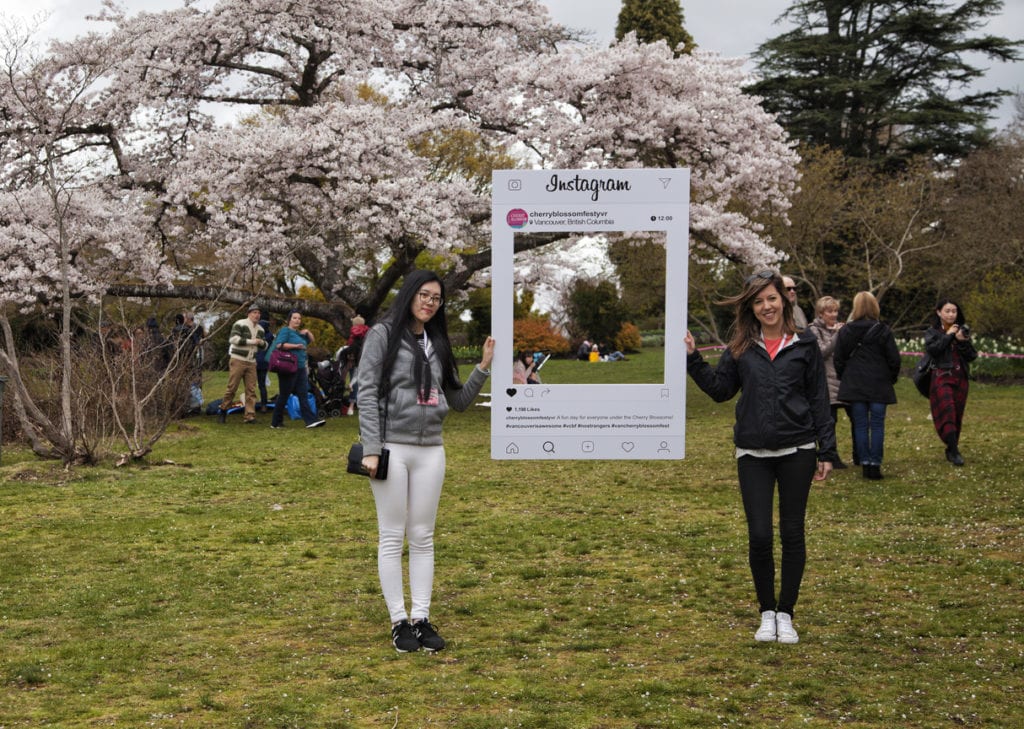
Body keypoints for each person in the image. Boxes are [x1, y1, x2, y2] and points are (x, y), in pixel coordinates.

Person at [685, 270, 835, 645]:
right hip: (752, 452)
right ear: (750, 308)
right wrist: (692, 360)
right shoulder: (740, 347)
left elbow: (819, 399)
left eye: (771, 298)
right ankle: (766, 612)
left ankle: (787, 613)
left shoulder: (804, 344)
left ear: (784, 300)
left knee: (792, 533)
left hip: (797, 450)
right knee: (759, 535)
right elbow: (721, 391)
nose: (766, 306)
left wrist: (827, 449)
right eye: (757, 301)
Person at [356, 270, 495, 653]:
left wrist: (483, 367)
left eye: (436, 298)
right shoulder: (382, 335)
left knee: (422, 536)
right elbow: (365, 390)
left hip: (431, 448)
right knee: (391, 535)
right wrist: (371, 446)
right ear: (409, 295)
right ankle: (398, 622)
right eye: (424, 295)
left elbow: (459, 401)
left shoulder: (438, 341)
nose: (430, 303)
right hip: (390, 448)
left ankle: (421, 617)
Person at [833, 292, 902, 480]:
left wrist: (845, 376)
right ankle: (875, 463)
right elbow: (894, 359)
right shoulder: (883, 330)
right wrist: (891, 377)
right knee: (877, 424)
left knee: (861, 425)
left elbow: (838, 358)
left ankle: (865, 463)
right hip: (879, 382)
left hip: (856, 383)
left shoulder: (846, 331)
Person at [924, 298, 978, 466]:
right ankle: (954, 451)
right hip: (941, 376)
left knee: (957, 414)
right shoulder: (932, 332)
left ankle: (951, 447)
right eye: (947, 311)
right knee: (947, 411)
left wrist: (962, 341)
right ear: (939, 312)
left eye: (954, 311)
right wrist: (948, 336)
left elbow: (972, 356)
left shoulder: (962, 331)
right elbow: (933, 350)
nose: (951, 314)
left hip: (960, 377)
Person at [807, 296, 854, 468]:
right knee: (829, 421)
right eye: (830, 311)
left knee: (855, 417)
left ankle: (860, 455)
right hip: (825, 382)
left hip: (843, 381)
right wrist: (837, 335)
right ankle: (831, 456)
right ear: (821, 313)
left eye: (835, 311)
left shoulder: (841, 328)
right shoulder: (813, 330)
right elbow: (822, 352)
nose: (834, 314)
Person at [269, 311, 326, 429]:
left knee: (303, 394)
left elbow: (311, 340)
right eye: (294, 318)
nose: (297, 320)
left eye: (299, 318)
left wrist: (308, 332)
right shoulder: (286, 331)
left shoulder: (298, 334)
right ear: (289, 319)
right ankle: (275, 422)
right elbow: (279, 345)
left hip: (300, 367)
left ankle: (311, 421)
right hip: (288, 367)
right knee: (284, 395)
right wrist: (295, 346)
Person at [216, 305, 267, 424]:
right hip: (238, 359)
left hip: (252, 361)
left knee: (251, 390)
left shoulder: (261, 329)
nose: (257, 315)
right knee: (232, 387)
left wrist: (261, 343)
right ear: (249, 313)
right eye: (254, 312)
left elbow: (265, 346)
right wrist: (251, 342)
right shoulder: (240, 323)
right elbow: (233, 339)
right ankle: (223, 410)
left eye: (258, 313)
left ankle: (250, 416)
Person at [254, 315, 274, 411]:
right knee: (262, 385)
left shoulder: (256, 334)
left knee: (251, 385)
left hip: (254, 361)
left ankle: (251, 403)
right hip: (265, 362)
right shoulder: (270, 336)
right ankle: (264, 405)